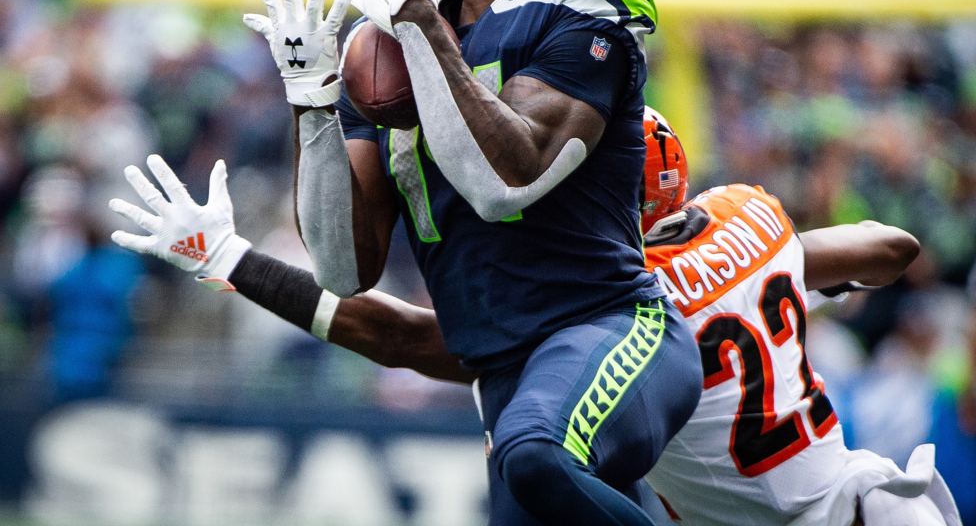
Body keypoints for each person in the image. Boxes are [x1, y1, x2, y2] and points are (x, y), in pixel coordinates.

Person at [113, 0, 704, 526]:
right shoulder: (390, 53)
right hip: (504, 375)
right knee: (539, 464)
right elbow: (343, 267)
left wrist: (421, 19)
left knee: (540, 452)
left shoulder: (586, 2)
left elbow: (504, 181)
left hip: (610, 330)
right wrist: (314, 99)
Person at [110, 108, 961, 525]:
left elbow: (403, 336)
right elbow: (892, 245)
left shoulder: (608, 309)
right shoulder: (750, 215)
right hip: (877, 506)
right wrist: (787, 254)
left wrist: (230, 262)